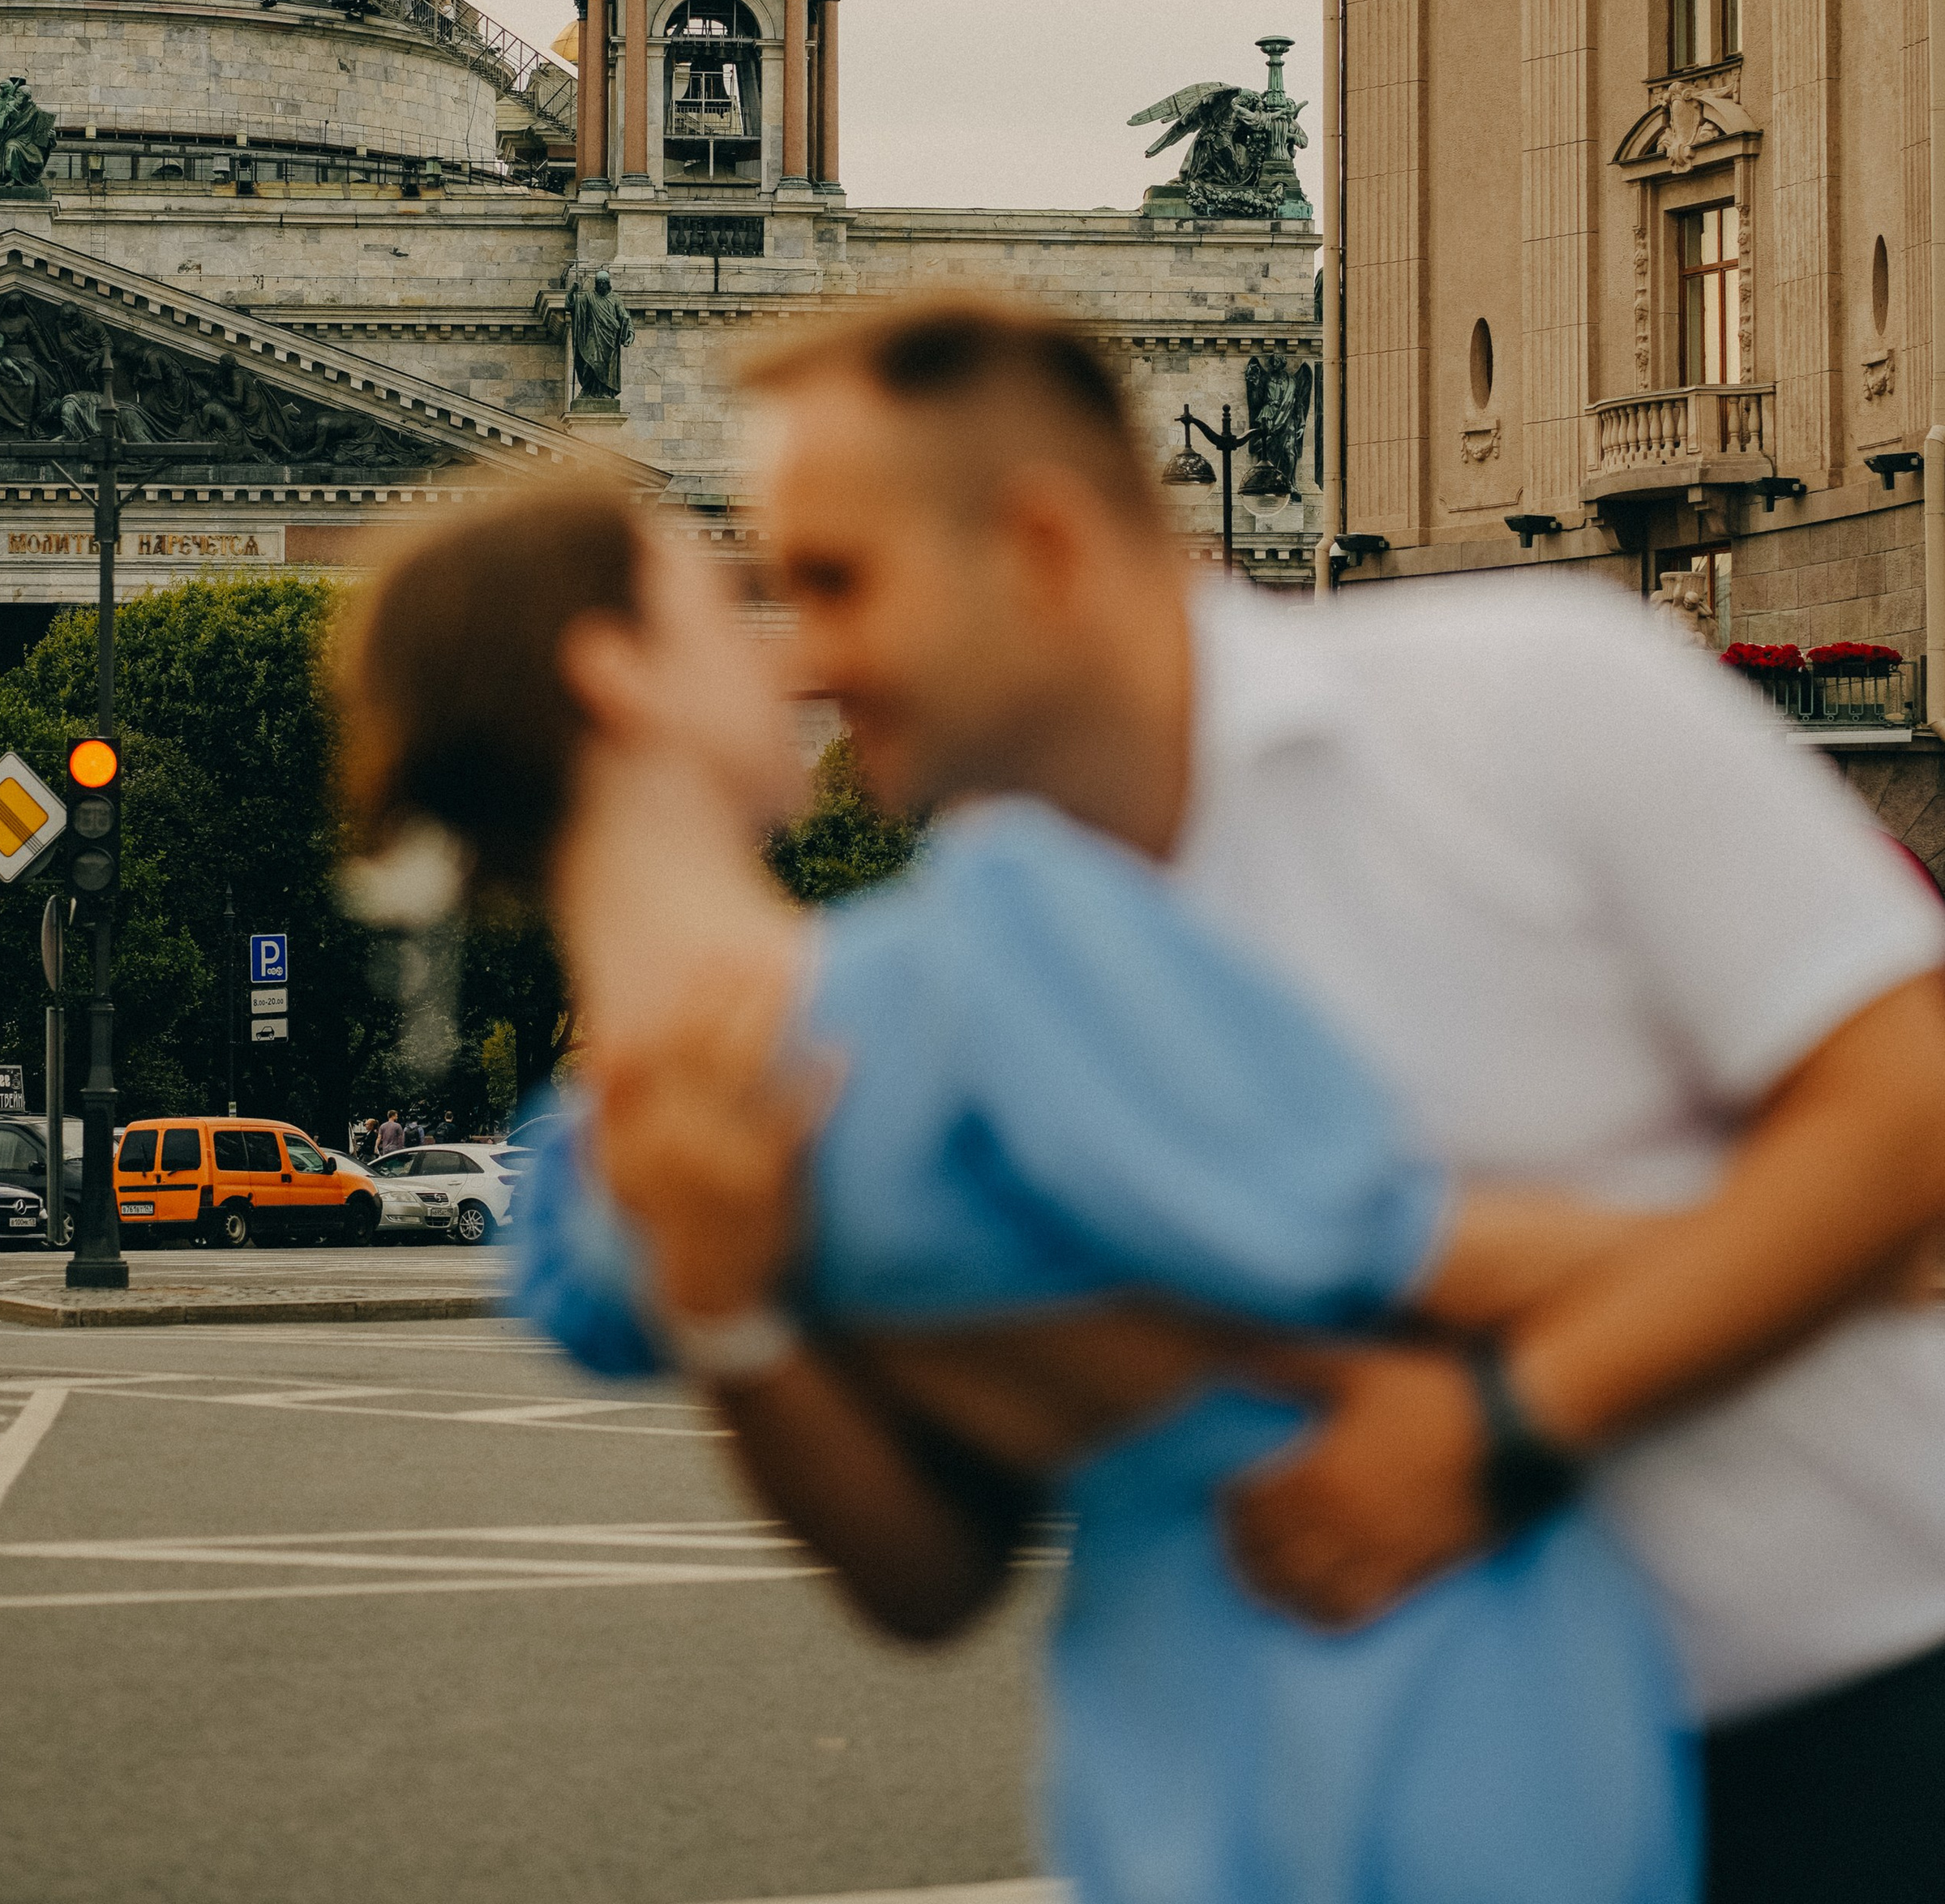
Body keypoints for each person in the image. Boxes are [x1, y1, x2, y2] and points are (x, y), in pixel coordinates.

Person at [634, 301, 1945, 1904]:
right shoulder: (963, 961)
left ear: (1038, 544)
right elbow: (933, 1575)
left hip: (1848, 1735)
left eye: (833, 582)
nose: (803, 659)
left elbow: (1904, 1115)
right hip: (1379, 1823)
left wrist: (1500, 1428)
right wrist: (733, 1314)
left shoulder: (1531, 693)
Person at [341, 474, 1700, 1904]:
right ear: (610, 676)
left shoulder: (596, 1193)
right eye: (731, 609)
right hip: (1450, 1702)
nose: (794, 654)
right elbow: (1434, 1261)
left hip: (1155, 1774)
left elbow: (929, 1586)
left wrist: (740, 1314)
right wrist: (1858, 1230)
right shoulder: (997, 951)